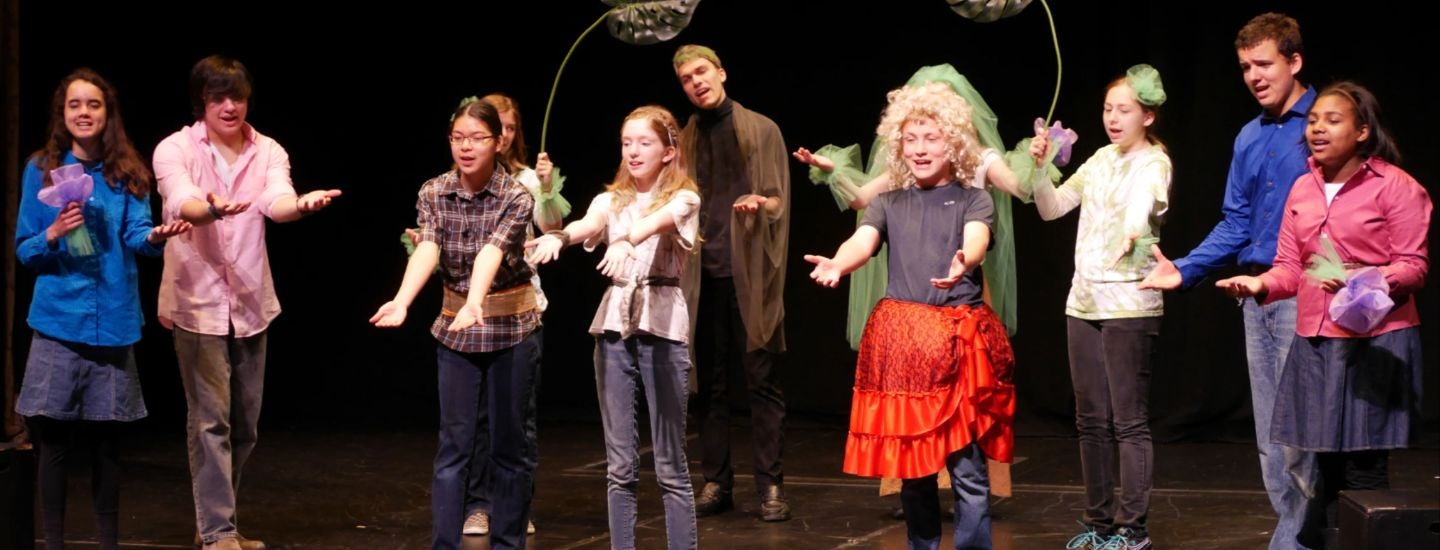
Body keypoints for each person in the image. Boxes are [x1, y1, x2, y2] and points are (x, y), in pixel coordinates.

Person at [1214, 82, 1429, 549]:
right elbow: (1291, 267)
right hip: (1317, 338)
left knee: (1364, 465)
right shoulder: (1303, 187)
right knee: (1323, 465)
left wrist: (1365, 280)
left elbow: (1414, 265)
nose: (1317, 129)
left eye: (1333, 120)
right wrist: (1260, 285)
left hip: (1375, 341)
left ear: (1362, 131)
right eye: (1313, 120)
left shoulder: (1395, 186)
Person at [804, 81, 1014, 549]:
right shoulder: (888, 202)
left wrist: (967, 259)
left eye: (931, 138)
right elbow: (863, 241)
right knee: (914, 472)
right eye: (911, 139)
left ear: (952, 142)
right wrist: (839, 263)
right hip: (907, 347)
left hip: (958, 345)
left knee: (967, 469)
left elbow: (977, 236)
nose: (919, 149)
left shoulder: (972, 199)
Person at [1137, 14, 1318, 548]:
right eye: (1245, 67)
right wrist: (1186, 267)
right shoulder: (1249, 136)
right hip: (1256, 296)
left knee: (1302, 435)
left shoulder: (1323, 123)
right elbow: (1237, 222)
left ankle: (1300, 540)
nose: (1254, 76)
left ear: (1294, 61)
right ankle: (1295, 536)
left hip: (1307, 293)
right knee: (1271, 437)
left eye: (1264, 63)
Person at [153, 55, 341, 550]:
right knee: (210, 422)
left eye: (236, 96)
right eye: (218, 97)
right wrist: (210, 209)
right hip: (197, 302)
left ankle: (216, 523)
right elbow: (182, 200)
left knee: (245, 427)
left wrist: (301, 206)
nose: (229, 106)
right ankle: (218, 531)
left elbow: (277, 201)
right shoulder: (175, 148)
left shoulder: (268, 150)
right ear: (202, 102)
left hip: (250, 303)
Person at [15, 68, 191, 550]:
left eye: (93, 104)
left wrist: (157, 236)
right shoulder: (40, 169)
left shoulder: (127, 172)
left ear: (107, 113)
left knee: (107, 446)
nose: (84, 112)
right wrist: (53, 233)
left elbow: (137, 237)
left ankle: (108, 542)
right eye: (75, 104)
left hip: (113, 322)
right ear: (62, 113)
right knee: (53, 443)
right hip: (58, 321)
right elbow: (25, 249)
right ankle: (53, 543)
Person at [527, 104, 701, 550]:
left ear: (668, 151)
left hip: (662, 325)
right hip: (613, 327)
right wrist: (558, 237)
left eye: (644, 143)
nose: (633, 151)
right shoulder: (611, 200)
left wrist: (625, 240)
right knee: (620, 467)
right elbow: (588, 224)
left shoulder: (685, 198)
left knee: (671, 466)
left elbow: (656, 222)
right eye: (627, 143)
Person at [370, 97, 540, 550]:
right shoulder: (434, 191)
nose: (466, 147)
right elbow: (428, 247)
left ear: (498, 142)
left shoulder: (516, 195)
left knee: (509, 446)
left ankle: (508, 543)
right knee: (454, 446)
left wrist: (476, 301)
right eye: (458, 138)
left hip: (511, 328)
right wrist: (402, 300)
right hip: (455, 327)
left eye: (477, 138)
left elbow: (492, 251)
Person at [1029, 65, 1172, 550]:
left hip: (1129, 302)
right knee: (1090, 420)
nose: (1113, 118)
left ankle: (1133, 529)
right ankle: (1099, 523)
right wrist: (1040, 168)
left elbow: (1144, 203)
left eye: (1124, 110)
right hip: (1084, 301)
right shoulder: (1099, 159)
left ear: (1147, 116)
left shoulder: (1154, 163)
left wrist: (1132, 229)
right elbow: (1051, 207)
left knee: (1128, 420)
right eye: (1108, 109)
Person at [672, 44, 792, 521]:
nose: (696, 82)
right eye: (686, 79)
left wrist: (761, 204)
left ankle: (771, 486)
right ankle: (716, 482)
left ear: (721, 72)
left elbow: (780, 201)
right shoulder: (682, 140)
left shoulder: (762, 129)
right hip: (700, 276)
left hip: (750, 274)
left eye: (701, 72)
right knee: (708, 386)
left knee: (762, 381)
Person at [457, 92, 568, 538]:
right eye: (493, 126)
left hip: (520, 309)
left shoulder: (524, 179)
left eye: (507, 127)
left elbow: (553, 227)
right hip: (471, 310)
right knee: (478, 417)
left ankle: (514, 506)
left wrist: (546, 186)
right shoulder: (460, 180)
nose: (501, 134)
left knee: (517, 418)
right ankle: (478, 505)